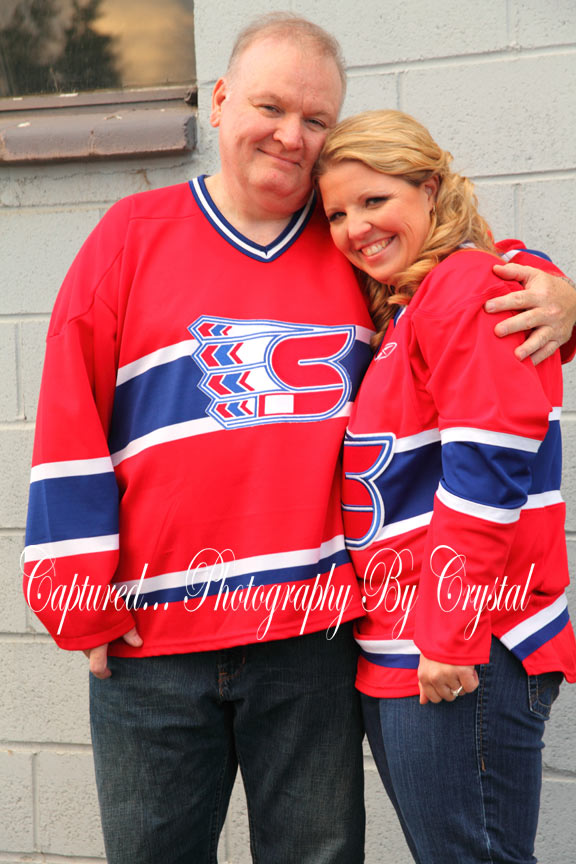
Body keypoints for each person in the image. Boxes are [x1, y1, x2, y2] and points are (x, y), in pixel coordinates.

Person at [22, 13, 576, 864]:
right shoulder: (130, 236)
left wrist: (556, 294)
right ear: (219, 101)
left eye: (316, 119)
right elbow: (70, 413)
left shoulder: (351, 247)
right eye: (271, 106)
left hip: (310, 640)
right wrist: (75, 595)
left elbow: (463, 288)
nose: (291, 135)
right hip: (151, 643)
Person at [315, 108, 576, 863]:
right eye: (337, 214)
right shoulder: (412, 303)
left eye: (374, 200)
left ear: (430, 188)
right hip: (411, 643)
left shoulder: (465, 286)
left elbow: (488, 470)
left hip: (463, 646)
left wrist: (450, 629)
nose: (356, 228)